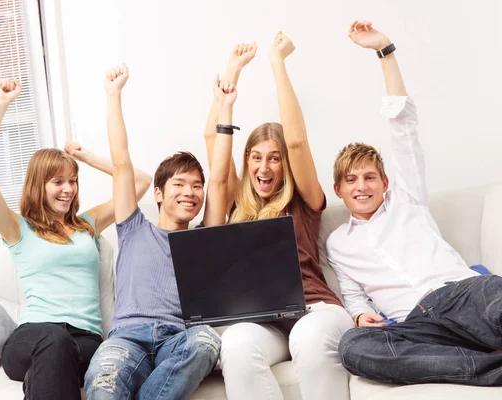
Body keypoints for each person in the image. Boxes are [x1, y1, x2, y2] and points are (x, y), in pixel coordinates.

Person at [328, 20, 502, 386]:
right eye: (352, 180)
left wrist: (384, 51)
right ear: (339, 189)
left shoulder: (407, 198)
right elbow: (353, 295)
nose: (362, 187)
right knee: (353, 348)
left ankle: (483, 363)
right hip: (416, 325)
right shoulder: (338, 243)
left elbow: (403, 125)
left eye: (370, 177)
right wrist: (359, 317)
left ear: (385, 182)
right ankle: (488, 367)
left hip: (461, 294)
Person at [0, 79, 152, 400]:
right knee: (54, 341)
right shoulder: (18, 228)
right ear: (39, 185)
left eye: (73, 181)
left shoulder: (87, 225)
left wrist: (88, 158)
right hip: (31, 338)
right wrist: (0, 105)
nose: (68, 189)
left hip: (85, 341)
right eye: (58, 181)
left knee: (60, 353)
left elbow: (139, 182)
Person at [204, 34, 354, 400]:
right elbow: (214, 149)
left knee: (308, 336)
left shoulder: (303, 200)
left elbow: (298, 142)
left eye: (274, 157)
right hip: (262, 321)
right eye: (256, 157)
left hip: (314, 310)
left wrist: (277, 63)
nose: (264, 166)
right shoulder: (238, 209)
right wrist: (229, 82)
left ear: (285, 164)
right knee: (236, 344)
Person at [84, 64, 224, 399]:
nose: (189, 192)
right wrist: (113, 95)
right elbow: (121, 164)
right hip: (127, 337)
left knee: (206, 341)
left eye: (196, 186)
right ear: (158, 193)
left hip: (179, 337)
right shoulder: (133, 226)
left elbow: (220, 178)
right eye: (179, 183)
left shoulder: (203, 237)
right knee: (104, 381)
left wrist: (222, 102)